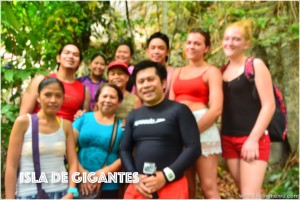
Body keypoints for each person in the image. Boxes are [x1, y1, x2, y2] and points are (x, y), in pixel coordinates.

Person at [119, 60, 201, 199]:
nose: (146, 85)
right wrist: (134, 177)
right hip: (140, 187)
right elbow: (124, 149)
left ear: (163, 83)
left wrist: (166, 175)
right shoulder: (134, 115)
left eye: (150, 79)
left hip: (172, 185)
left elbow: (193, 148)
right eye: (141, 81)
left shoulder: (179, 110)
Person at [221, 20, 275, 197]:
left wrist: (252, 140)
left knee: (250, 196)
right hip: (228, 139)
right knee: (246, 193)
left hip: (253, 138)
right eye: (227, 38)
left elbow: (269, 105)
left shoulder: (255, 65)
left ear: (247, 43)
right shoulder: (221, 70)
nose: (229, 43)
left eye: (236, 39)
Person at [169, 29, 222, 199]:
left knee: (208, 187)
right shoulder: (177, 72)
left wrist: (190, 132)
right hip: (178, 129)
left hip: (202, 127)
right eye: (189, 42)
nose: (191, 46)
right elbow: (170, 105)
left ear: (206, 48)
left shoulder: (211, 71)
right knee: (186, 187)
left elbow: (216, 109)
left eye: (197, 43)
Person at [5, 77, 78, 199]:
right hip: (29, 193)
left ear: (63, 99)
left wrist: (71, 191)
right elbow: (12, 165)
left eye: (58, 96)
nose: (53, 100)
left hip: (61, 193)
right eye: (48, 95)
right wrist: (9, 198)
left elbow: (73, 161)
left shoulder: (66, 125)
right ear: (38, 97)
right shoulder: (23, 122)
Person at [72, 83, 125, 199]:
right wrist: (83, 173)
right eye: (104, 96)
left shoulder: (122, 126)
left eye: (112, 97)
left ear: (119, 102)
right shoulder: (83, 118)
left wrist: (104, 173)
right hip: (80, 180)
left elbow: (126, 155)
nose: (107, 100)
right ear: (97, 99)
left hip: (109, 184)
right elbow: (68, 147)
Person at [19, 43, 90, 122]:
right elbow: (23, 116)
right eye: (67, 53)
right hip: (37, 130)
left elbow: (82, 122)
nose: (70, 56)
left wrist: (80, 116)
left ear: (80, 63)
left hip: (66, 132)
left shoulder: (84, 91)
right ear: (58, 58)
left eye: (75, 55)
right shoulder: (40, 80)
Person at [146, 32, 174, 98]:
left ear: (168, 52)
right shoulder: (142, 73)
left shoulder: (173, 74)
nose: (156, 52)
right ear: (147, 51)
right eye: (153, 48)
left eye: (161, 48)